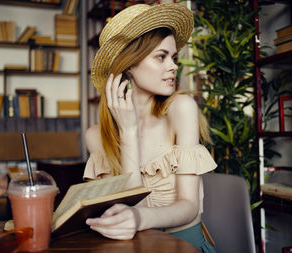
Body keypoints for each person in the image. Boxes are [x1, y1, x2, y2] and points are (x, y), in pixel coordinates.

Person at [83, 3, 217, 252]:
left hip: (184, 245)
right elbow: (130, 209)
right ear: (129, 65)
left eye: (174, 58)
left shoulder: (181, 109)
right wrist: (129, 131)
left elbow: (189, 207)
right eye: (161, 56)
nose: (174, 66)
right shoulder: (95, 136)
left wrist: (138, 219)